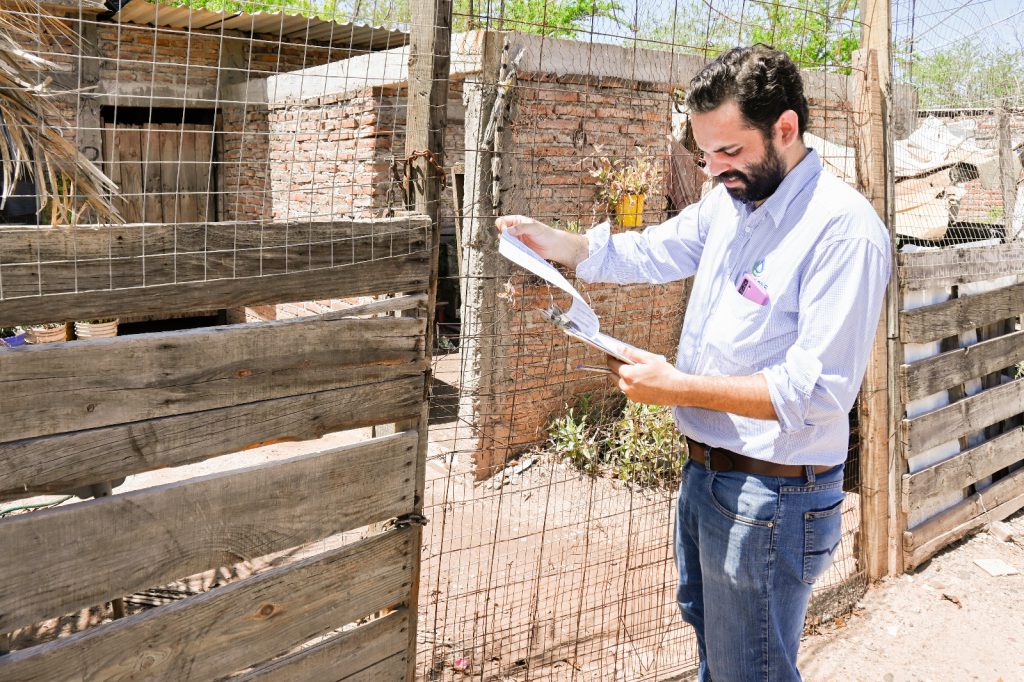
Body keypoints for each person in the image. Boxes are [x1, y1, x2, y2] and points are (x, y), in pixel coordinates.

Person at [496, 44, 891, 681]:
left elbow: (814, 393)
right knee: (720, 659)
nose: (714, 170)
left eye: (729, 152)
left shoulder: (842, 231)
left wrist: (679, 386)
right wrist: (564, 246)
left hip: (774, 492)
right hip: (708, 476)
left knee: (748, 671)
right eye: (704, 154)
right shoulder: (730, 203)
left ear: (784, 129)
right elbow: (652, 251)